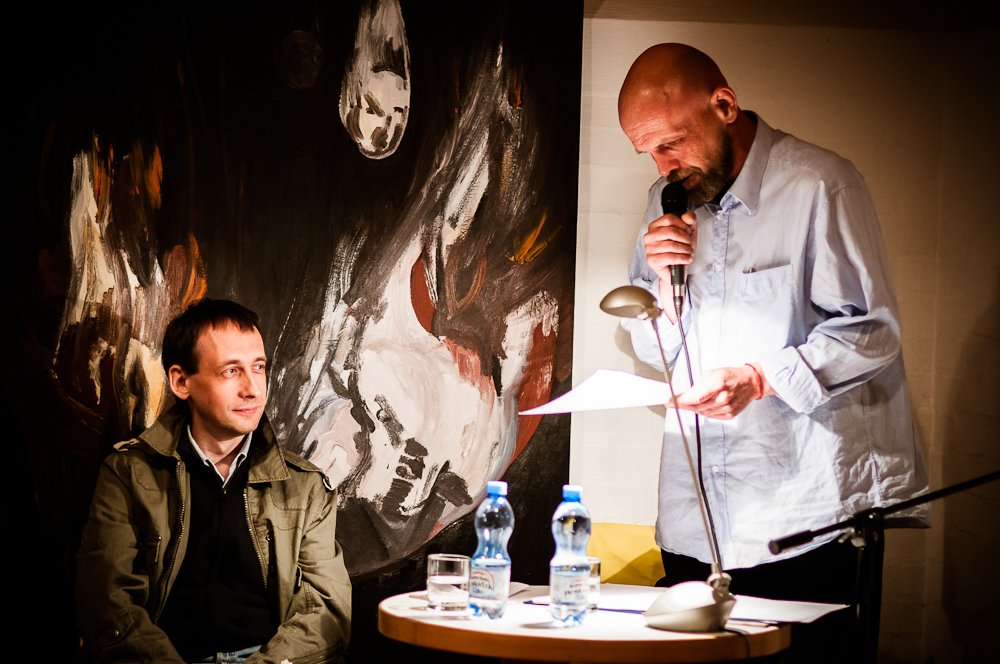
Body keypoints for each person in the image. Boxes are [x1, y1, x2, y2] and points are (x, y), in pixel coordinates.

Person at [617, 44, 929, 660]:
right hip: (696, 514)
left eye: (672, 143)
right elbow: (655, 348)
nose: (663, 166)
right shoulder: (666, 201)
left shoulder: (820, 184)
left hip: (802, 517)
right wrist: (663, 287)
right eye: (648, 151)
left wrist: (759, 378)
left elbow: (872, 330)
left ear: (724, 105)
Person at [76, 299, 351, 664]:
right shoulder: (128, 474)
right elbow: (108, 601)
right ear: (181, 381)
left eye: (258, 367)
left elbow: (326, 611)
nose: (253, 389)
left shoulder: (305, 487)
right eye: (231, 371)